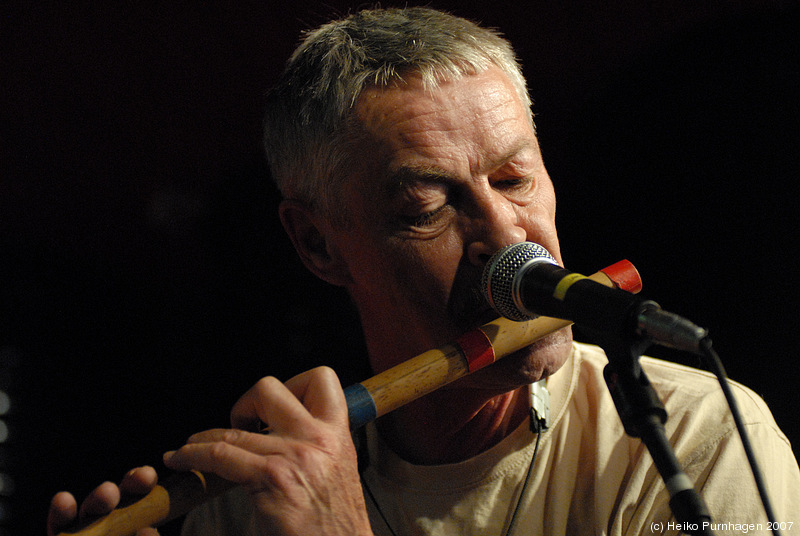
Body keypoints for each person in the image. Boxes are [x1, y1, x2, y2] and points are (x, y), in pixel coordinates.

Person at [47, 7, 799, 536]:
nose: (507, 234)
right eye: (426, 206)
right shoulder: (258, 503)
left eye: (513, 179)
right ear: (317, 245)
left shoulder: (700, 439)